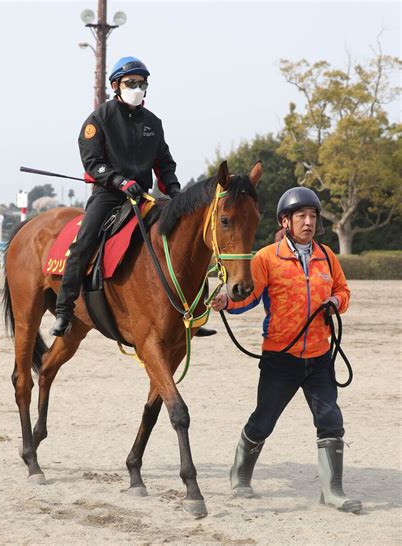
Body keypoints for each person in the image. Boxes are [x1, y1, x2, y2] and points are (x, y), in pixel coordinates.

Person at [211, 187, 362, 513]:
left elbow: (342, 289)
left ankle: (332, 490)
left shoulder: (326, 256)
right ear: (286, 221)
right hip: (281, 357)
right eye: (301, 217)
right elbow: (249, 295)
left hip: (320, 357)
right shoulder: (267, 257)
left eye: (312, 216)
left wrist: (337, 302)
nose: (308, 222)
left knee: (330, 419)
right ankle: (239, 476)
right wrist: (227, 300)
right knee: (263, 421)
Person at [50, 56, 215, 338]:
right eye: (131, 83)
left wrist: (175, 190)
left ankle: (192, 313)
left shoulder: (153, 122)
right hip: (109, 196)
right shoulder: (99, 119)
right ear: (116, 85)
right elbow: (93, 162)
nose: (137, 88)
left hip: (145, 198)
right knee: (84, 243)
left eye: (142, 83)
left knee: (185, 241)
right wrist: (119, 180)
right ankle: (65, 309)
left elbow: (164, 162)